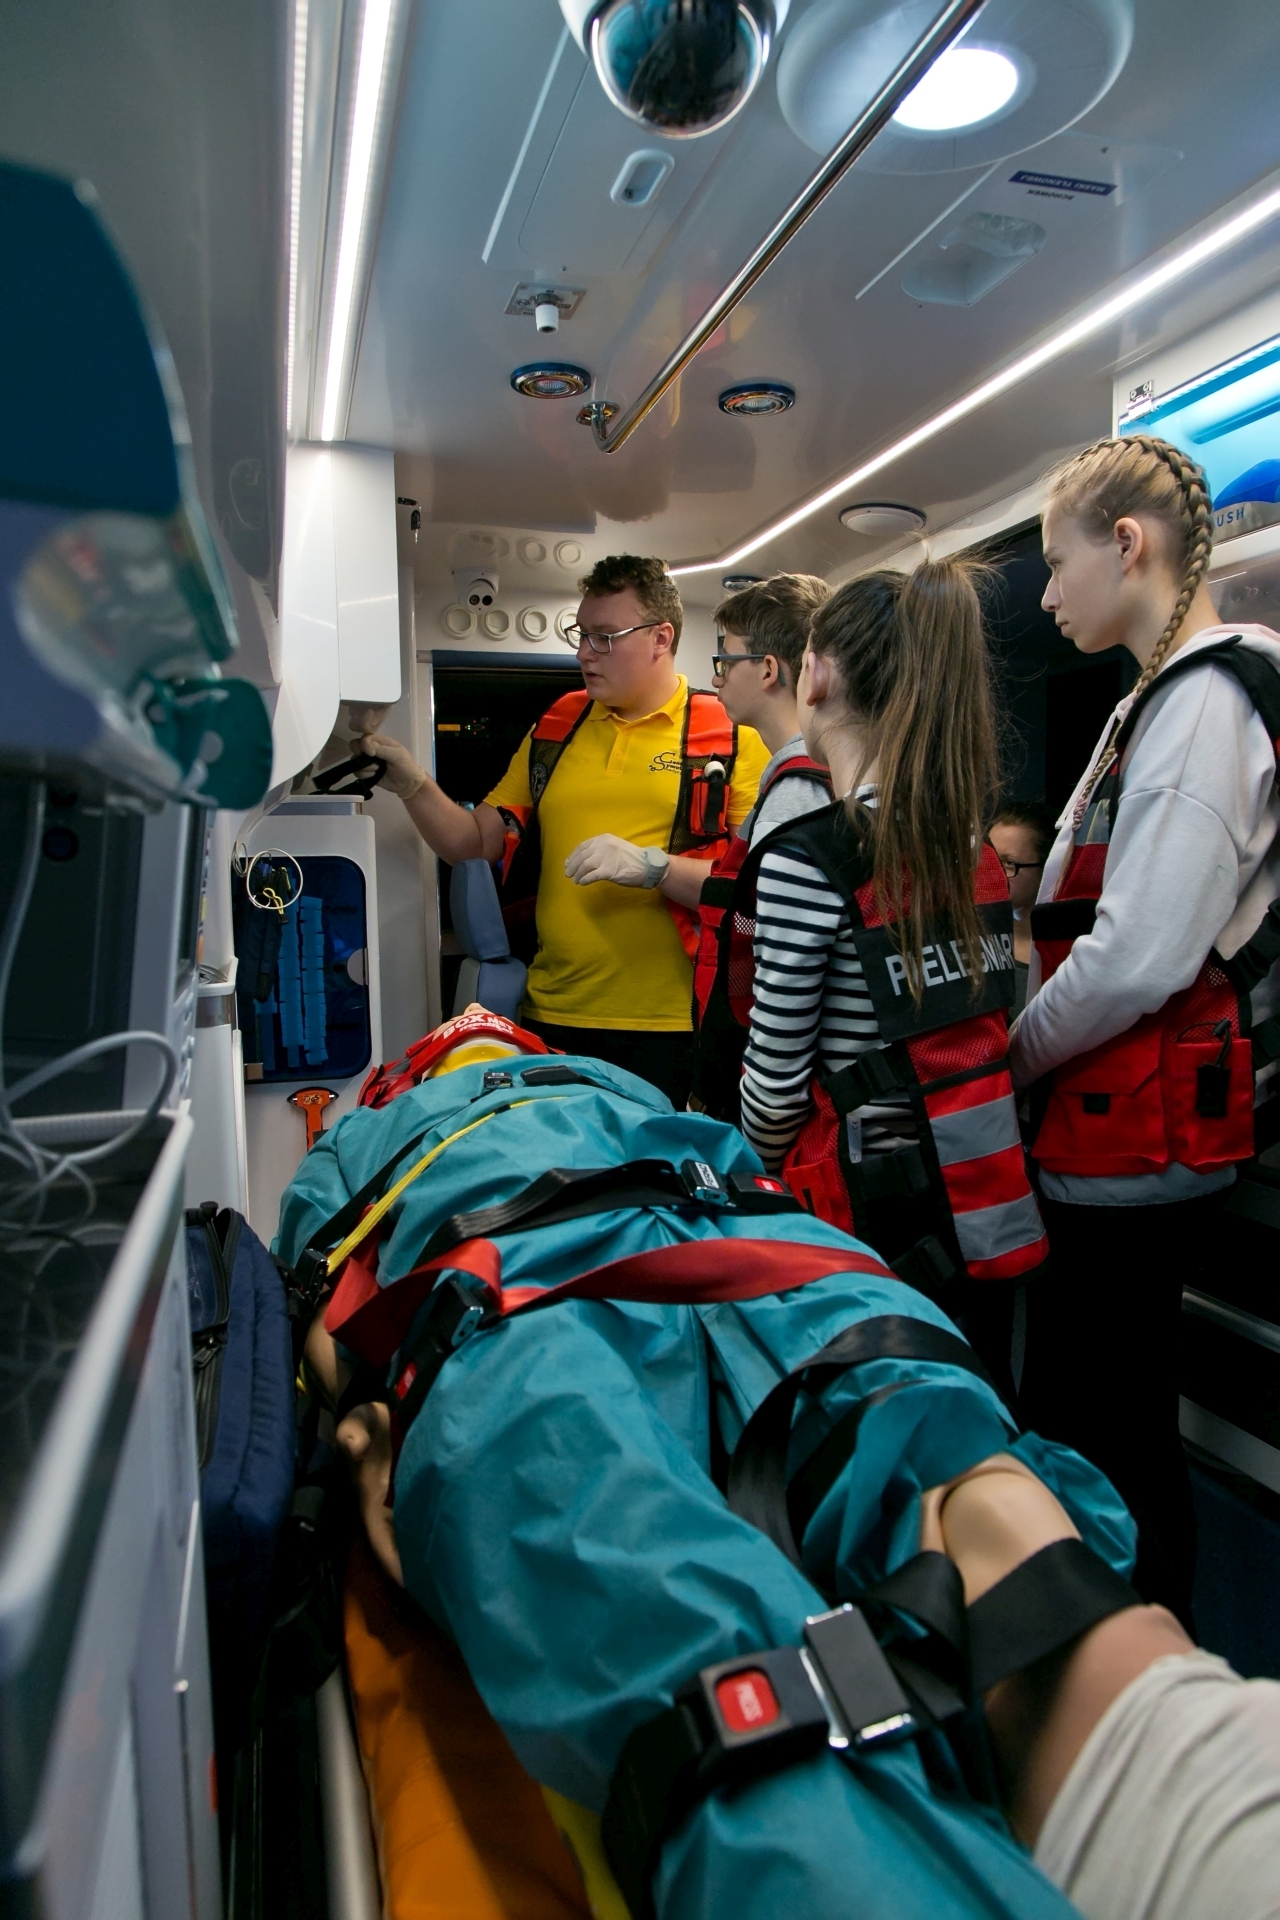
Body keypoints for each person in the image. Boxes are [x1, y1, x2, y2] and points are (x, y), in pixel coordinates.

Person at [289, 1002, 1280, 1920]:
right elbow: (325, 1292)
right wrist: (385, 1413)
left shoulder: (492, 1107)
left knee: (907, 1466)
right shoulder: (417, 1122)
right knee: (664, 1508)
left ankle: (1081, 1725)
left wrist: (377, 1419)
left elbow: (322, 1304)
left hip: (674, 1256)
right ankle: (835, 1801)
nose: (475, 1031)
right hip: (590, 1274)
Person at [1008, 434, 1280, 1629]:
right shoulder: (1154, 699)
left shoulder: (1204, 703)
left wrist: (1009, 1058)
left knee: (1106, 1421)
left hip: (1131, 1144)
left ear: (1126, 545)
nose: (1045, 595)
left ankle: (1129, 1650)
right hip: (1110, 1127)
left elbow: (1138, 954)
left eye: (1054, 562)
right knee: (1093, 1408)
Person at [728, 560, 1046, 1390]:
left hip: (867, 1226)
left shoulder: (807, 858)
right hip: (982, 1205)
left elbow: (773, 1093)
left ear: (816, 675)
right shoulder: (973, 850)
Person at [363, 555, 769, 1108]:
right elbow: (473, 844)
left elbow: (754, 889)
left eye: (605, 637)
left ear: (661, 638)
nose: (584, 653)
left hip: (674, 1025)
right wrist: (412, 784)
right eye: (582, 635)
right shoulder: (559, 726)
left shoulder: (729, 735)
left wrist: (656, 868)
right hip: (553, 1014)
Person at [706, 573, 834, 844]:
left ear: (768, 671)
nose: (716, 680)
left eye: (727, 662)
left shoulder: (794, 796)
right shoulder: (830, 766)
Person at [989, 803, 1056, 1014]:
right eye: (989, 859)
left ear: (1045, 868)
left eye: (1009, 863)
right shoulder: (976, 945)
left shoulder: (1067, 954)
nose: (993, 872)